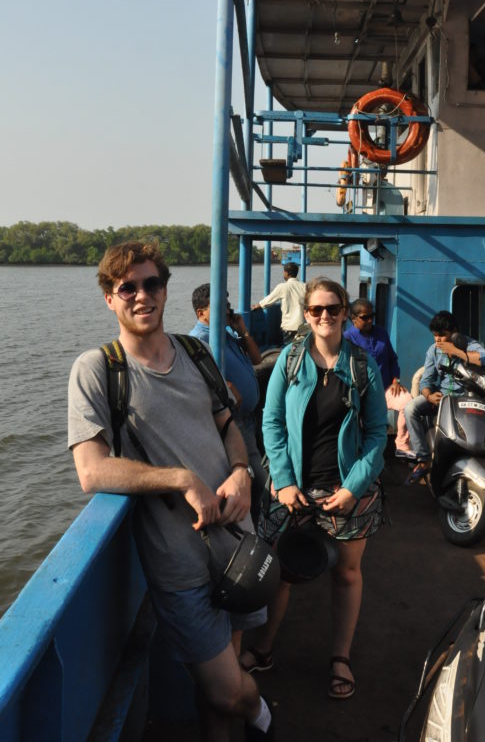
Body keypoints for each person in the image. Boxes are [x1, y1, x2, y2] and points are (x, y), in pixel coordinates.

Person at [67, 241, 274, 741]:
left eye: (151, 283)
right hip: (178, 564)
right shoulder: (97, 371)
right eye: (127, 288)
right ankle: (267, 718)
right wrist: (180, 477)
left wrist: (242, 471)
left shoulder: (196, 352)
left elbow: (228, 423)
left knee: (219, 688)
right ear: (109, 299)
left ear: (165, 289)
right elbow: (91, 473)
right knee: (231, 691)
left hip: (239, 544)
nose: (142, 295)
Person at [240, 277, 387, 701]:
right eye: (317, 310)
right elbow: (271, 425)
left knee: (346, 572)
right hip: (294, 491)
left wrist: (354, 486)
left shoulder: (362, 365)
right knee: (282, 571)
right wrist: (283, 482)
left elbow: (378, 433)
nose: (325, 316)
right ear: (306, 315)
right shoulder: (290, 359)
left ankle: (340, 657)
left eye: (333, 309)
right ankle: (264, 648)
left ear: (344, 312)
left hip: (347, 489)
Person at [190, 283, 267, 523]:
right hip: (233, 422)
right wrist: (226, 384)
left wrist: (242, 330)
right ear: (201, 313)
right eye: (219, 306)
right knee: (255, 476)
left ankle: (261, 522)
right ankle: (258, 525)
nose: (226, 309)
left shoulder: (228, 334)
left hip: (250, 416)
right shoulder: (197, 342)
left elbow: (256, 359)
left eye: (227, 304)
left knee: (257, 472)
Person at [403, 311, 485, 481]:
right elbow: (425, 381)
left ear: (455, 332)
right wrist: (428, 396)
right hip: (442, 397)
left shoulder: (469, 344)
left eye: (442, 336)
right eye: (435, 336)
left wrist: (457, 351)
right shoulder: (433, 351)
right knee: (410, 408)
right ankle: (423, 458)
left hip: (465, 398)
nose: (438, 340)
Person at [343, 298, 414, 458]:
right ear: (353, 318)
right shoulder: (347, 338)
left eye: (372, 316)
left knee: (408, 403)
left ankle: (402, 445)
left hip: (386, 388)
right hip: (362, 392)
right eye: (364, 317)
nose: (369, 320)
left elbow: (392, 359)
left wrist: (396, 380)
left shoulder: (381, 333)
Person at [252, 261, 305, 343]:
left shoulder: (283, 287)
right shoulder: (304, 286)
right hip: (302, 325)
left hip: (289, 326)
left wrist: (257, 306)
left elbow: (268, 300)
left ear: (286, 273)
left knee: (289, 349)